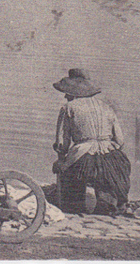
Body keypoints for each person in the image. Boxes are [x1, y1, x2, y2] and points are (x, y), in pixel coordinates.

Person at [51, 68, 131, 215]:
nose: (65, 95)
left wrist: (61, 160)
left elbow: (62, 143)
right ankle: (108, 205)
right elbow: (120, 140)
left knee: (67, 170)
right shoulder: (107, 107)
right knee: (114, 168)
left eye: (67, 92)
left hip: (84, 158)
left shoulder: (68, 108)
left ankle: (74, 207)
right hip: (111, 156)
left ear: (73, 93)